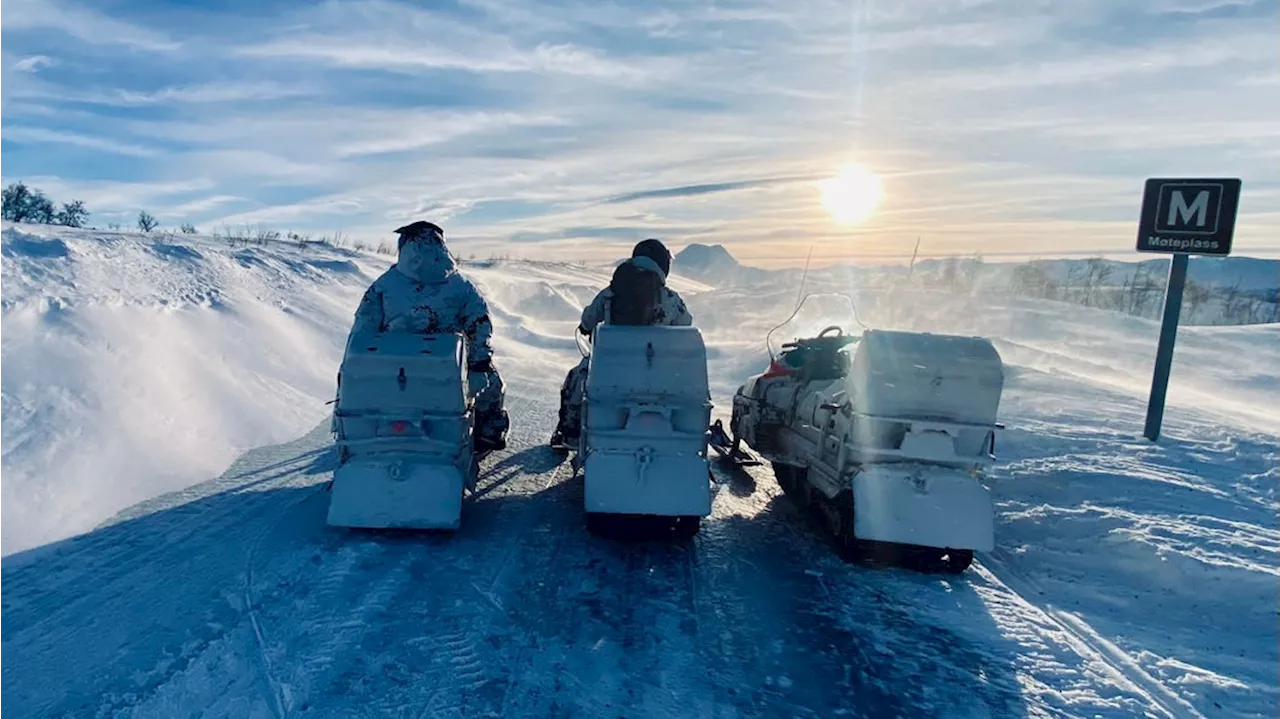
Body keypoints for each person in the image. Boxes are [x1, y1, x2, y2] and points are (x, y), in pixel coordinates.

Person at [347, 221, 509, 452]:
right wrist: (478, 364)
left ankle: (360, 432)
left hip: (390, 365)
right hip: (449, 366)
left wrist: (356, 365)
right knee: (492, 384)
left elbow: (363, 329)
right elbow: (480, 325)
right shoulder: (460, 286)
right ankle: (488, 432)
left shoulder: (384, 285)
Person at [550, 238, 693, 447]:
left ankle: (570, 435)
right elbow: (686, 327)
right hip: (657, 377)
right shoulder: (671, 300)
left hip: (610, 374)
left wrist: (587, 328)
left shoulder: (610, 294)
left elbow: (587, 320)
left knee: (576, 377)